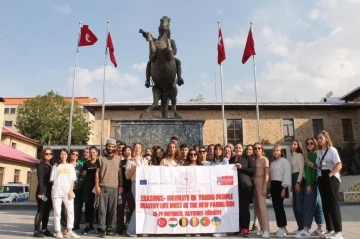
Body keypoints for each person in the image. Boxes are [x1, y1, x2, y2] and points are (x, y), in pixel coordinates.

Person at [308, 131, 343, 239]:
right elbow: (319, 167)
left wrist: (330, 175)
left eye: (321, 138)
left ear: (326, 138)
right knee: (325, 204)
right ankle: (330, 229)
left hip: (331, 177)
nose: (319, 140)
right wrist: (313, 165)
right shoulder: (319, 152)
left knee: (333, 204)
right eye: (318, 138)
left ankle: (338, 231)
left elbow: (339, 165)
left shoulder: (332, 150)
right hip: (322, 177)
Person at [296, 138, 325, 238]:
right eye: (307, 143)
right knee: (317, 206)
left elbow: (313, 171)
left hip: (312, 184)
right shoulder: (311, 154)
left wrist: (309, 184)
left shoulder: (314, 154)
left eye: (311, 143)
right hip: (313, 183)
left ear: (315, 144)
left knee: (308, 206)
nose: (309, 145)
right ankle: (320, 228)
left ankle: (306, 230)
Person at [95, 139, 123, 237]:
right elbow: (97, 173)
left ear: (115, 148)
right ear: (106, 146)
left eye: (112, 146)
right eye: (109, 146)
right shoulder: (100, 158)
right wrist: (97, 185)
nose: (110, 148)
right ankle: (102, 228)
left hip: (115, 186)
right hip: (103, 186)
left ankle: (111, 228)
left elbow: (120, 173)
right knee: (102, 210)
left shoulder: (118, 158)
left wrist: (121, 185)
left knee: (113, 209)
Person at [50, 148, 79, 239]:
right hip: (57, 192)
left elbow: (72, 180)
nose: (63, 156)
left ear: (67, 155)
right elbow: (52, 180)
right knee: (57, 212)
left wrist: (70, 191)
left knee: (70, 212)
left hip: (67, 193)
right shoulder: (56, 166)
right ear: (59, 155)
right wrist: (57, 187)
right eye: (62, 154)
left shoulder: (70, 166)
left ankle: (70, 230)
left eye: (65, 154)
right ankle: (58, 231)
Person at [125, 142, 148, 237]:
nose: (138, 149)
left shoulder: (144, 160)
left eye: (139, 147)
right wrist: (133, 168)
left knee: (144, 206)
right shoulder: (130, 161)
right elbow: (127, 176)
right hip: (135, 183)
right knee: (139, 206)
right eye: (136, 147)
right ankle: (130, 229)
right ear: (133, 149)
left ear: (141, 149)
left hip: (144, 184)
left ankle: (140, 229)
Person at [233, 144, 255, 237]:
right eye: (236, 148)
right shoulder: (231, 159)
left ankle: (246, 229)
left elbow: (253, 171)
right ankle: (239, 227)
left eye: (240, 148)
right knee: (237, 209)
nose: (238, 149)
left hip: (245, 186)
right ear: (234, 149)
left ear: (242, 149)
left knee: (244, 208)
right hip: (233, 187)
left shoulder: (247, 158)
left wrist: (242, 167)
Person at [270, 145, 291, 237]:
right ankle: (283, 226)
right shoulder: (273, 163)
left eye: (277, 151)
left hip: (281, 185)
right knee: (276, 207)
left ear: (281, 152)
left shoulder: (285, 162)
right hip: (273, 185)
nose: (276, 152)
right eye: (274, 151)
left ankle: (281, 227)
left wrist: (284, 188)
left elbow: (286, 175)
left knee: (279, 207)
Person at [33, 148, 54, 238]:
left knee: (47, 210)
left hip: (49, 192)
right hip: (43, 192)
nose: (48, 155)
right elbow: (40, 179)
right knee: (41, 210)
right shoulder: (41, 165)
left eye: (50, 153)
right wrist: (41, 192)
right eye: (46, 153)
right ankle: (36, 231)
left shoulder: (51, 165)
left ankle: (44, 229)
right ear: (43, 155)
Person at [253, 142, 270, 238]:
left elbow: (267, 174)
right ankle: (262, 228)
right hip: (254, 183)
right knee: (257, 207)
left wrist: (265, 187)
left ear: (262, 149)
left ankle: (267, 229)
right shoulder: (254, 159)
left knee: (262, 207)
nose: (257, 150)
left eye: (259, 148)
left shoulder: (264, 159)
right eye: (255, 148)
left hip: (261, 182)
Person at [117, 146, 135, 235]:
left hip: (132, 188)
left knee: (132, 208)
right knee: (120, 208)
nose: (127, 151)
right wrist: (120, 185)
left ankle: (132, 227)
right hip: (123, 188)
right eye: (125, 150)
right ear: (123, 152)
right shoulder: (121, 162)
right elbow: (120, 174)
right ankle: (120, 227)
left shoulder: (134, 161)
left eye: (129, 150)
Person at [81, 146, 99, 235]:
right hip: (88, 187)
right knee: (88, 206)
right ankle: (88, 225)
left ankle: (100, 226)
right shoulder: (86, 163)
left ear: (97, 153)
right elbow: (83, 174)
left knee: (99, 206)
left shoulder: (100, 162)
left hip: (98, 187)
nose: (92, 154)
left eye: (94, 152)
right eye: (90, 152)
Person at [290, 140, 305, 234]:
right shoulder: (292, 157)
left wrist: (298, 182)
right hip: (293, 179)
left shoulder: (299, 155)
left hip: (298, 178)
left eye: (295, 144)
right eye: (291, 144)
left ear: (298, 146)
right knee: (295, 206)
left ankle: (303, 227)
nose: (293, 145)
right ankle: (300, 227)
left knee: (299, 205)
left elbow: (302, 170)